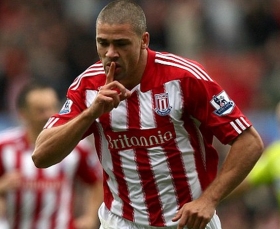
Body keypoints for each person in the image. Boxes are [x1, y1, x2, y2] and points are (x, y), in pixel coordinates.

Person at [32, 1, 264, 229]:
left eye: (121, 43)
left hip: (187, 221)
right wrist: (91, 113)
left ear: (144, 41)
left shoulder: (184, 78)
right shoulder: (88, 86)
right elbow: (41, 155)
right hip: (121, 221)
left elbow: (249, 142)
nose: (110, 53)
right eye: (103, 43)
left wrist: (209, 200)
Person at [0, 82, 103, 229]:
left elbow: (96, 182)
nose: (49, 114)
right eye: (40, 110)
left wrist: (90, 217)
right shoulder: (5, 147)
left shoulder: (76, 147)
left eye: (52, 107)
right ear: (23, 114)